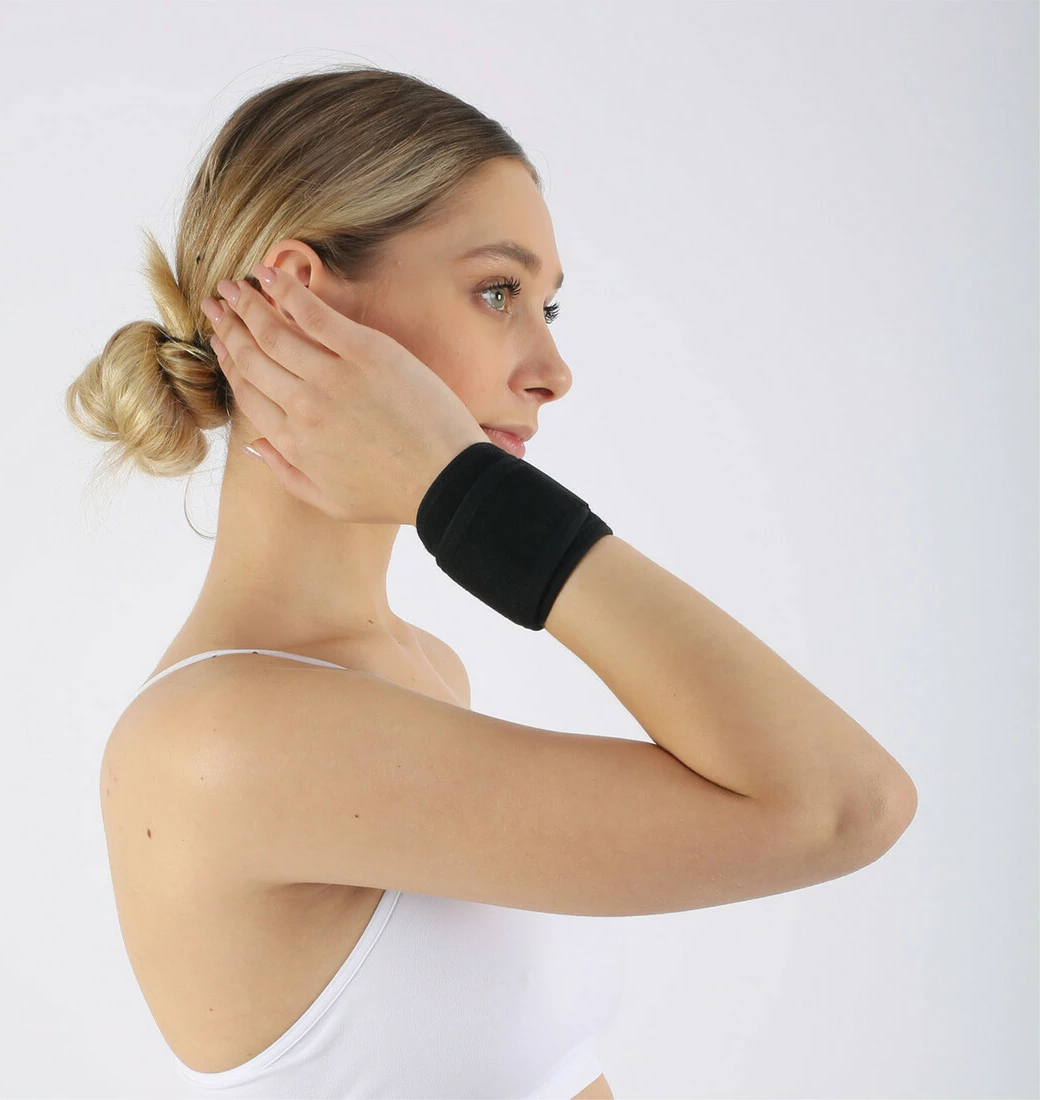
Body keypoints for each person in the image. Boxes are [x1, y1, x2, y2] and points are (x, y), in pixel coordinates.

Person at [66, 65, 917, 1100]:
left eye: (545, 303)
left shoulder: (415, 667)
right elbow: (843, 803)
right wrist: (459, 490)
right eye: (497, 292)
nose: (552, 368)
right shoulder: (225, 737)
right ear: (300, 295)